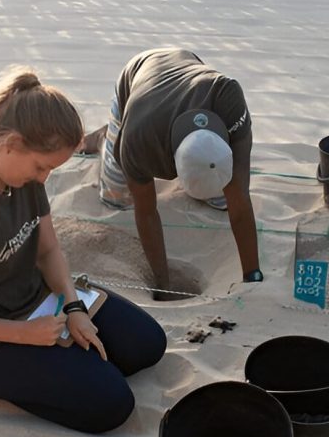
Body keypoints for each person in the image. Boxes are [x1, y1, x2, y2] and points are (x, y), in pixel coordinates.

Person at [0, 67, 167, 433]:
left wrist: (74, 306)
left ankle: (63, 364)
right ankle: (43, 375)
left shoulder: (18, 173)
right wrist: (24, 335)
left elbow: (47, 251)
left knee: (147, 345)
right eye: (42, 167)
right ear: (10, 143)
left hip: (36, 300)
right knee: (113, 405)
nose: (43, 179)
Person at [80, 48, 264, 300]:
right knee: (117, 197)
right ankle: (106, 137)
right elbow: (145, 213)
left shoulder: (228, 97)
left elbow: (240, 201)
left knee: (224, 202)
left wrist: (252, 276)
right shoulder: (139, 142)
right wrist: (163, 284)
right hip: (138, 80)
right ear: (171, 165)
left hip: (184, 65)